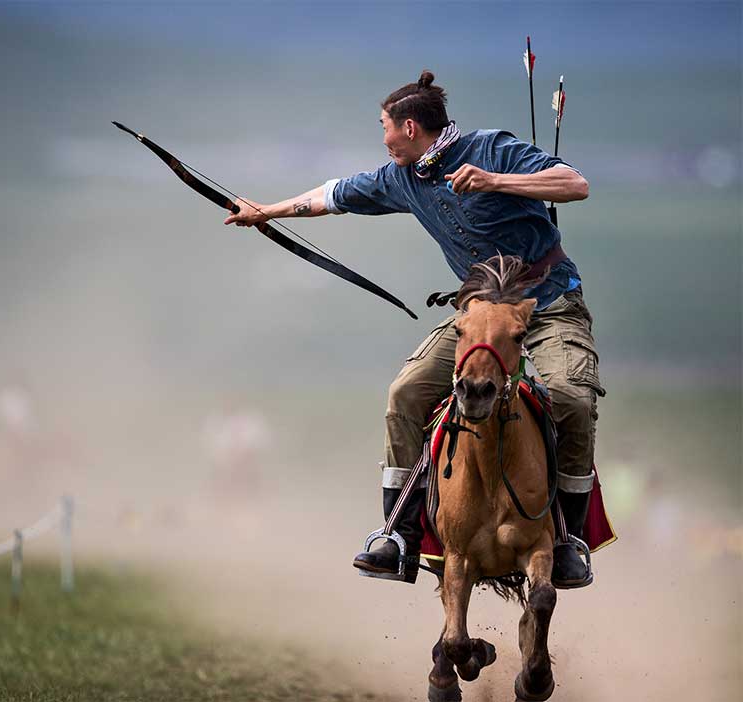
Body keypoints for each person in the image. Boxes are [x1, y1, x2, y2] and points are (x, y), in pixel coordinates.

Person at [223, 70, 605, 589]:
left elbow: (575, 184)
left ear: (408, 127)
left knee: (572, 400)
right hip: (478, 315)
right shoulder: (401, 176)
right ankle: (398, 537)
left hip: (549, 305)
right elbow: (334, 194)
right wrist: (266, 211)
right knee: (405, 393)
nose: (383, 139)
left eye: (384, 128)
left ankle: (568, 542)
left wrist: (496, 181)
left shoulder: (492, 149)